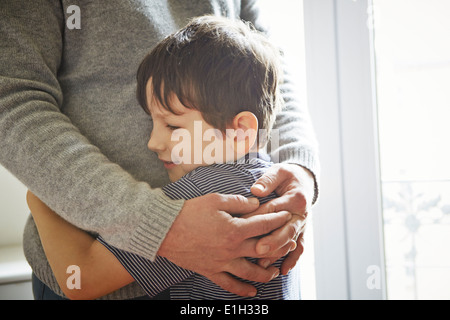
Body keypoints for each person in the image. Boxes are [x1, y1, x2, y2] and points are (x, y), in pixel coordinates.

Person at [0, 1, 319, 300]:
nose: (153, 143)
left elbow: (83, 280)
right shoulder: (265, 182)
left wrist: (40, 198)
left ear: (240, 131)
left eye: (172, 126)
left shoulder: (202, 195)